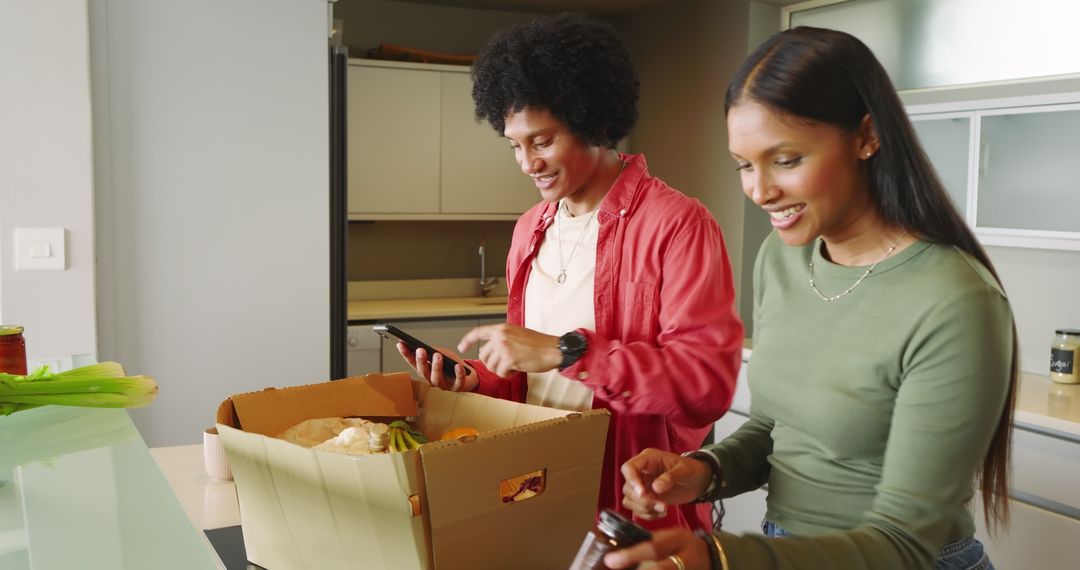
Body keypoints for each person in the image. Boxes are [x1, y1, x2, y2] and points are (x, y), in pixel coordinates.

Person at [607, 26, 1017, 570]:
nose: (759, 190)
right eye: (744, 165)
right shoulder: (782, 259)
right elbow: (779, 428)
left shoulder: (956, 301)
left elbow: (903, 542)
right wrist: (704, 470)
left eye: (786, 159)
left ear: (866, 136)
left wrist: (720, 556)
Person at [394, 13, 744, 531]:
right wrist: (476, 381)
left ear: (594, 122)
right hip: (536, 488)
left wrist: (569, 350)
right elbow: (531, 383)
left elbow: (705, 388)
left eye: (542, 141)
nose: (526, 163)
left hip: (631, 502)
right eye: (515, 144)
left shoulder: (679, 225)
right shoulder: (529, 229)